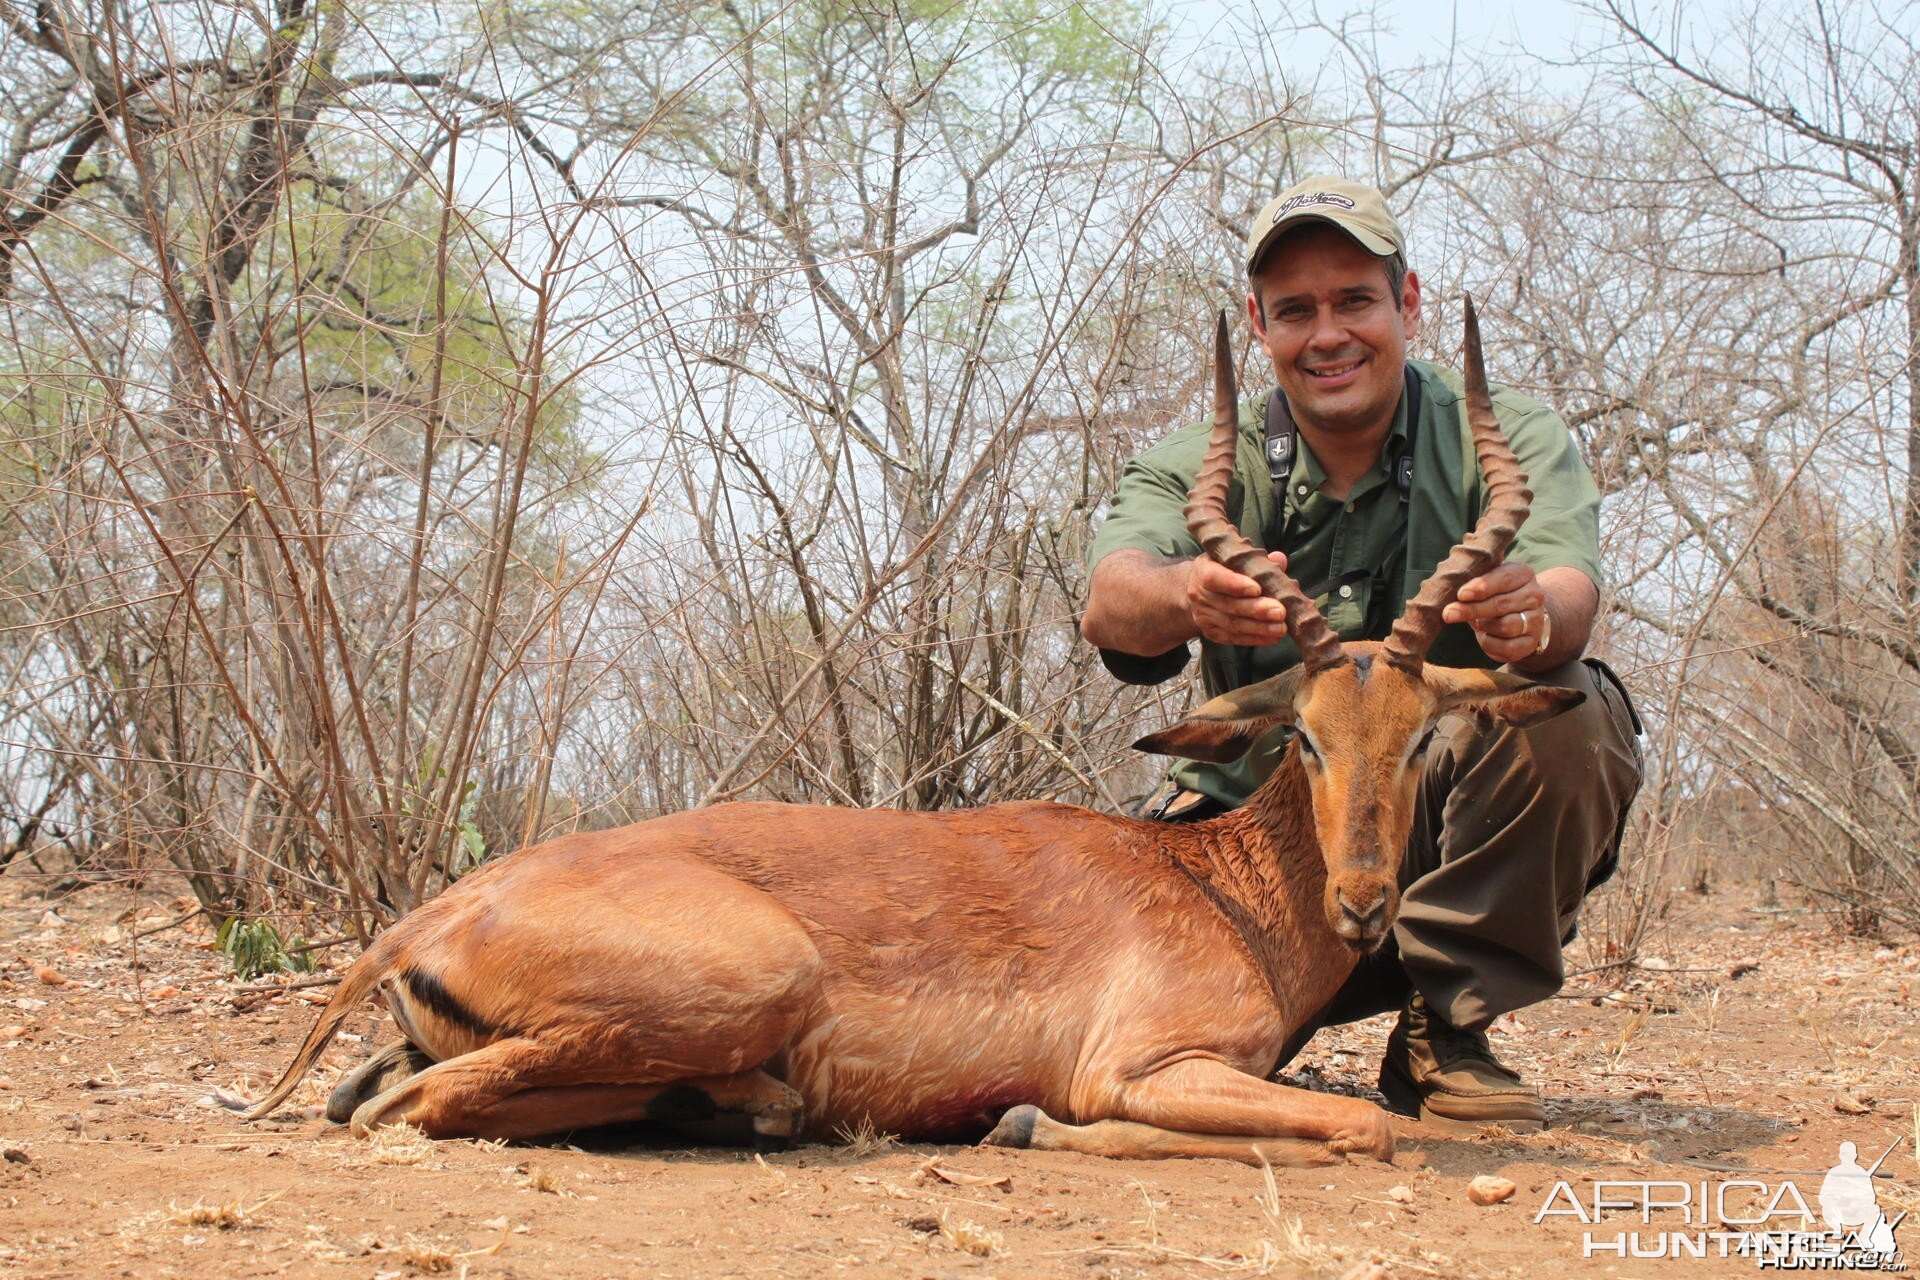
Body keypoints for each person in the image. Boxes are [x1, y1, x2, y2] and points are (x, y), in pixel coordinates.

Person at [1079, 175, 1644, 1132]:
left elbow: (1569, 593)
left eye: (1355, 301)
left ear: (1407, 302)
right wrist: (1187, 593)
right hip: (1262, 853)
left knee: (1571, 714)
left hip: (1436, 850)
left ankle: (1443, 1031)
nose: (1328, 334)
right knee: (1173, 1050)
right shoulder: (1204, 463)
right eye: (1296, 310)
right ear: (1259, 326)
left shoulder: (1502, 437)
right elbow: (1111, 603)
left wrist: (1533, 616)